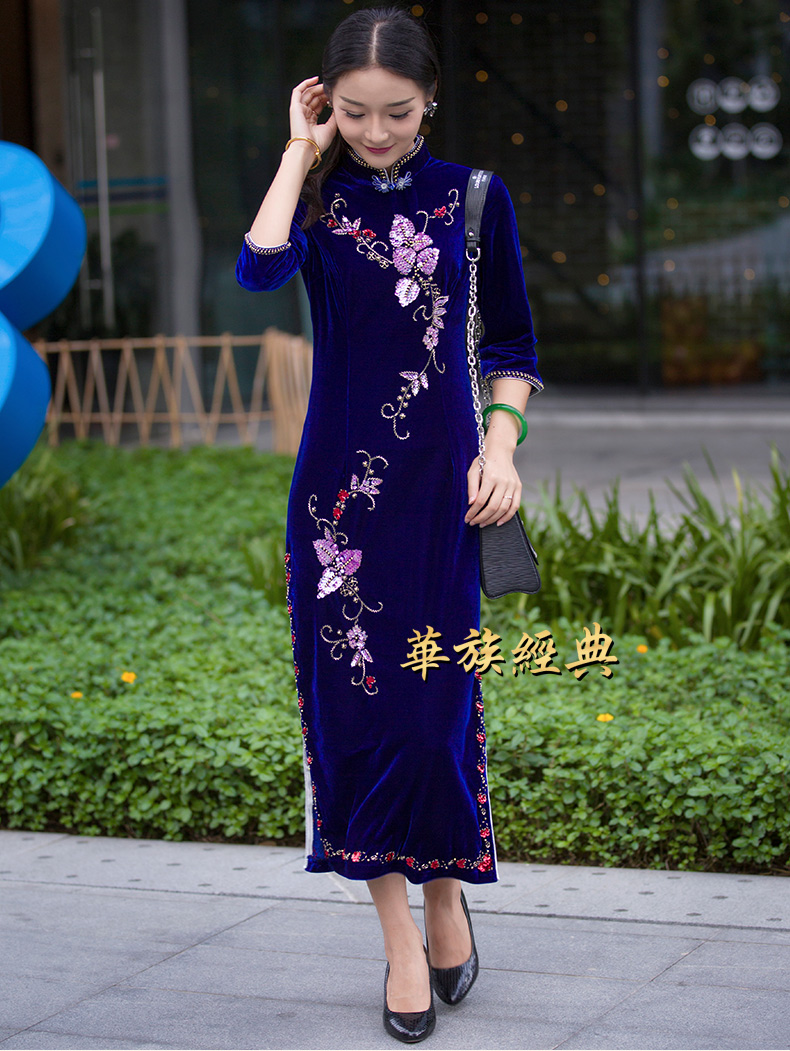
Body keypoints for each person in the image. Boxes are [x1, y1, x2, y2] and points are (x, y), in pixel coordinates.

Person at [236, 5, 542, 1042]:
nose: (376, 132)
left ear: (431, 101)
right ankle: (399, 938)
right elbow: (259, 266)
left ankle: (445, 891)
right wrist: (300, 150)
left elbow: (513, 345)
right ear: (326, 104)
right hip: (337, 507)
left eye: (397, 113)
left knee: (433, 712)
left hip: (444, 493)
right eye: (354, 112)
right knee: (359, 716)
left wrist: (501, 449)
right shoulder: (315, 198)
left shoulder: (474, 197)